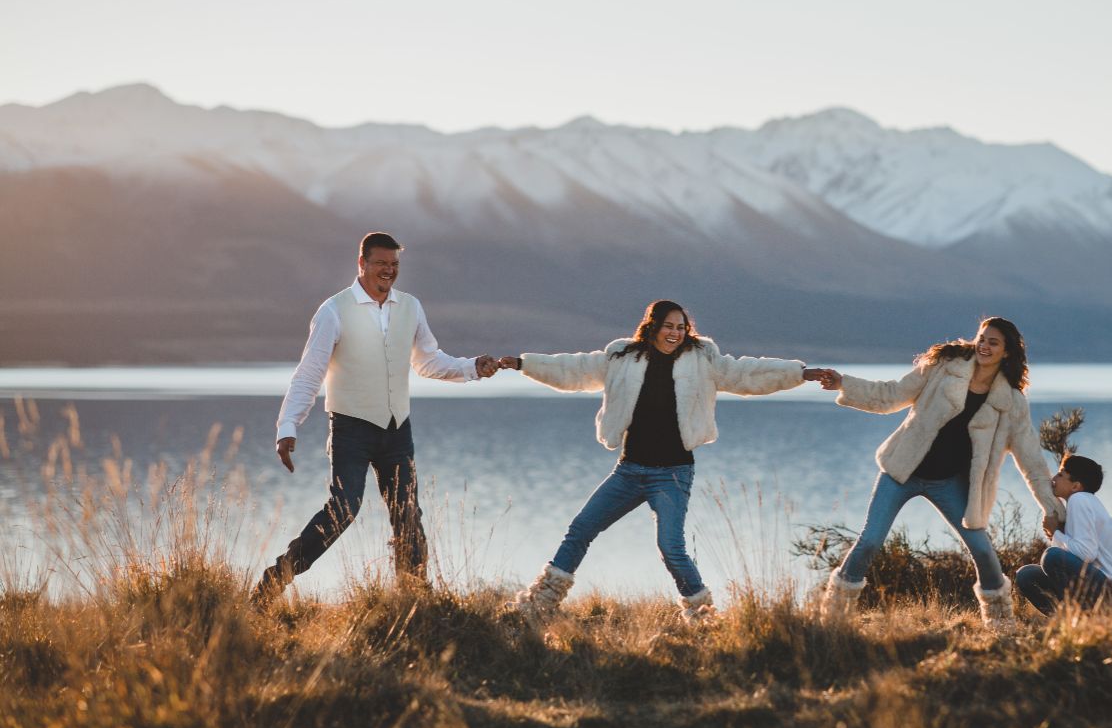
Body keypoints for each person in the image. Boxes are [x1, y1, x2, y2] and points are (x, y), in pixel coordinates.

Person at [499, 299, 830, 622]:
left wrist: (800, 373)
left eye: (681, 327)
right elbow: (575, 368)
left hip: (672, 472)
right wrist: (522, 364)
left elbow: (746, 372)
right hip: (628, 470)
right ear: (652, 327)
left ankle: (702, 614)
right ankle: (540, 603)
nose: (675, 333)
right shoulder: (622, 356)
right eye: (668, 326)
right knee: (581, 529)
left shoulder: (703, 358)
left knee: (671, 548)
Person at [250, 232, 498, 607]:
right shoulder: (334, 310)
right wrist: (288, 427)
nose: (389, 271)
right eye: (382, 264)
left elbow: (428, 360)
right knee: (344, 509)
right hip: (350, 428)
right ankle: (276, 579)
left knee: (407, 516)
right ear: (361, 264)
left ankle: (414, 602)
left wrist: (471, 368)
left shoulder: (410, 307)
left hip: (398, 430)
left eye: (395, 265)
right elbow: (309, 374)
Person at [813, 317, 1064, 631]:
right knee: (869, 542)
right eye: (982, 338)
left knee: (983, 551)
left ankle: (1000, 621)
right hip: (901, 471)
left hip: (948, 484)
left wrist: (1054, 510)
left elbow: (1032, 462)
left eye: (993, 342)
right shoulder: (945, 367)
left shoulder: (1011, 403)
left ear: (1008, 353)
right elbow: (891, 394)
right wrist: (843, 384)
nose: (984, 346)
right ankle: (834, 614)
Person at [1015, 453, 1112, 615]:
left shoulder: (1079, 500)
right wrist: (1058, 534)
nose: (1054, 478)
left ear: (1075, 486)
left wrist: (1055, 533)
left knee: (1051, 557)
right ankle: (1069, 623)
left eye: (1061, 474)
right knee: (1026, 575)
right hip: (1106, 590)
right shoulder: (1084, 502)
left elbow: (1087, 553)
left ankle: (1080, 618)